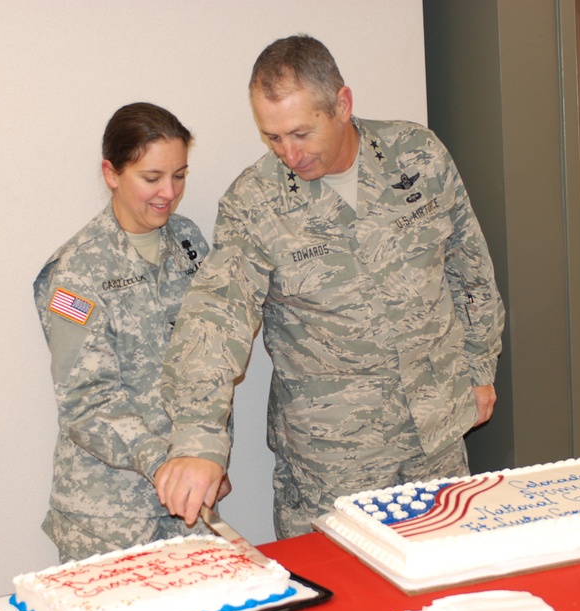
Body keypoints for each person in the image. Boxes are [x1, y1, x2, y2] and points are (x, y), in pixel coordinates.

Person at [156, 35, 505, 538]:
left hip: (436, 432)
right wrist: (196, 438)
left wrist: (479, 364)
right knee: (342, 602)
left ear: (342, 104)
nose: (289, 154)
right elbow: (217, 315)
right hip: (332, 459)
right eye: (272, 137)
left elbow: (469, 265)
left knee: (444, 580)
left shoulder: (418, 156)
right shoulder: (256, 201)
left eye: (300, 133)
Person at [33, 102, 227, 562]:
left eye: (179, 175)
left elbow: (211, 354)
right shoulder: (76, 272)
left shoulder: (189, 243)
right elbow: (86, 402)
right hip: (110, 518)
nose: (169, 192)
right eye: (152, 177)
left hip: (186, 507)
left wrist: (208, 451)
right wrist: (168, 464)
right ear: (111, 173)